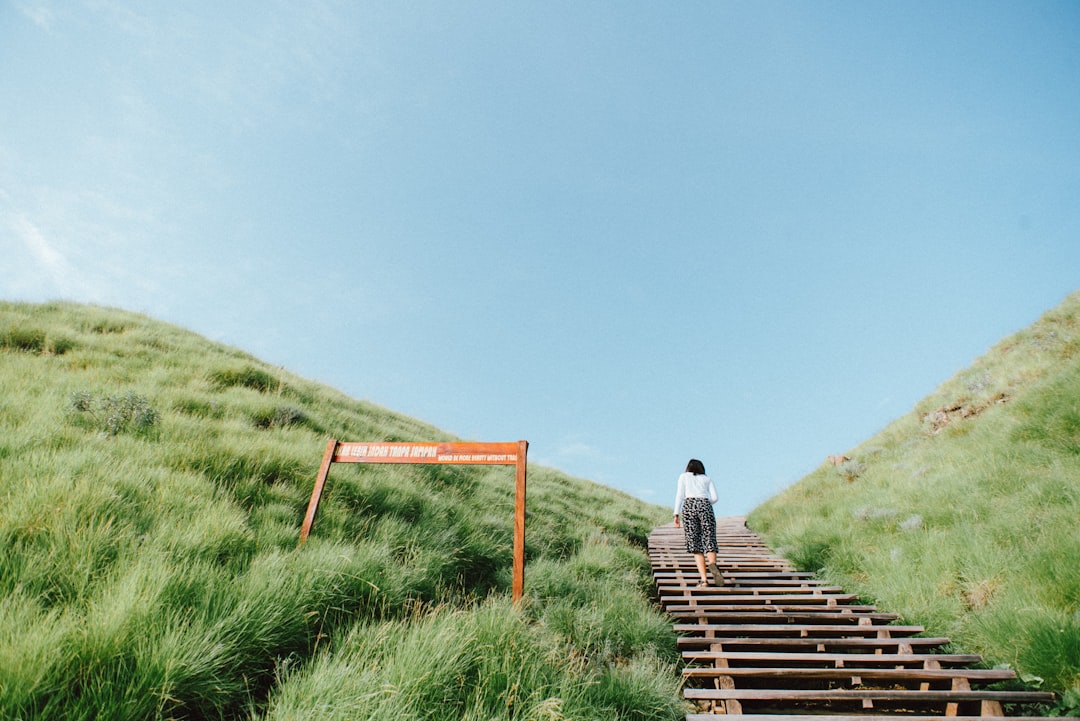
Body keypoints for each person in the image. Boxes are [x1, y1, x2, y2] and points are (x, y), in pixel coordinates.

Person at [673, 458, 722, 587]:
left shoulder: (683, 477)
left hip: (689, 505)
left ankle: (704, 580)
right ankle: (712, 563)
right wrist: (705, 502)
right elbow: (715, 498)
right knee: (709, 537)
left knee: (695, 544)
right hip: (705, 505)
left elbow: (679, 495)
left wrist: (676, 513)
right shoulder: (707, 479)